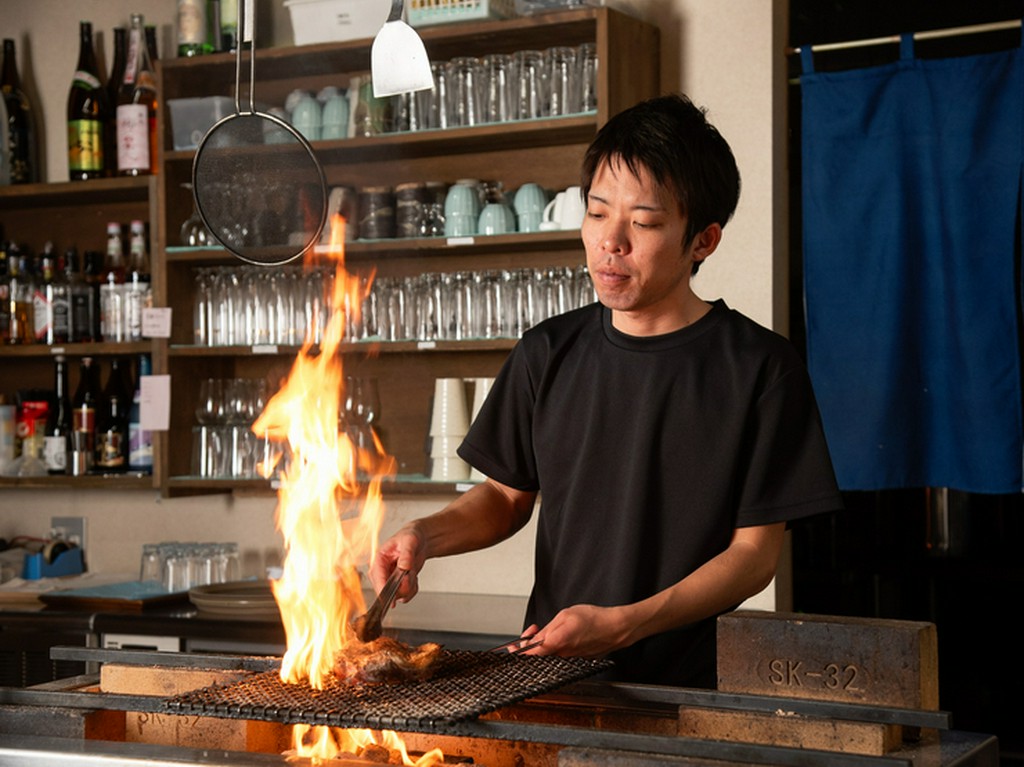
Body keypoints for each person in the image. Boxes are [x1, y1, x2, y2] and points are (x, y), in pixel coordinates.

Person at [370, 93, 843, 688]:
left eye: (643, 223)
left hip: (690, 692)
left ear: (703, 240)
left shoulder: (761, 369)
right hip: (551, 679)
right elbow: (505, 498)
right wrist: (424, 536)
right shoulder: (547, 352)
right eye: (596, 213)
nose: (610, 242)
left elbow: (753, 558)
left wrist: (625, 625)